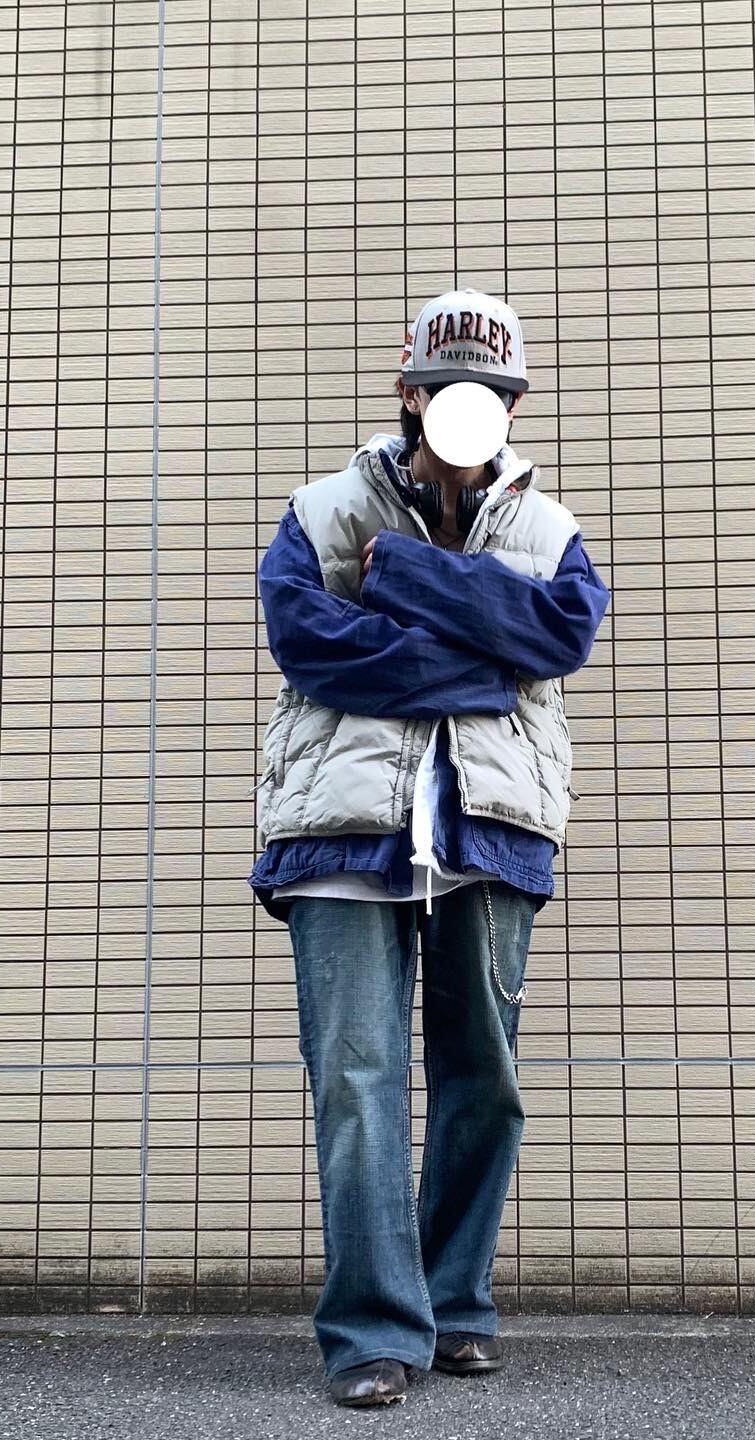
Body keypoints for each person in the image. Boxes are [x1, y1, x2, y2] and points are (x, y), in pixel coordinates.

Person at [249, 287, 610, 1408]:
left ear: (514, 404)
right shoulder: (324, 510)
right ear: (409, 393)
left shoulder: (549, 531)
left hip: (489, 827)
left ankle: (453, 1307)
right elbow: (311, 645)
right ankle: (372, 1332)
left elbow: (561, 634)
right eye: (446, 388)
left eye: (491, 393)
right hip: (340, 829)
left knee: (483, 1081)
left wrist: (403, 581)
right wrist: (483, 654)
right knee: (355, 1083)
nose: (468, 406)